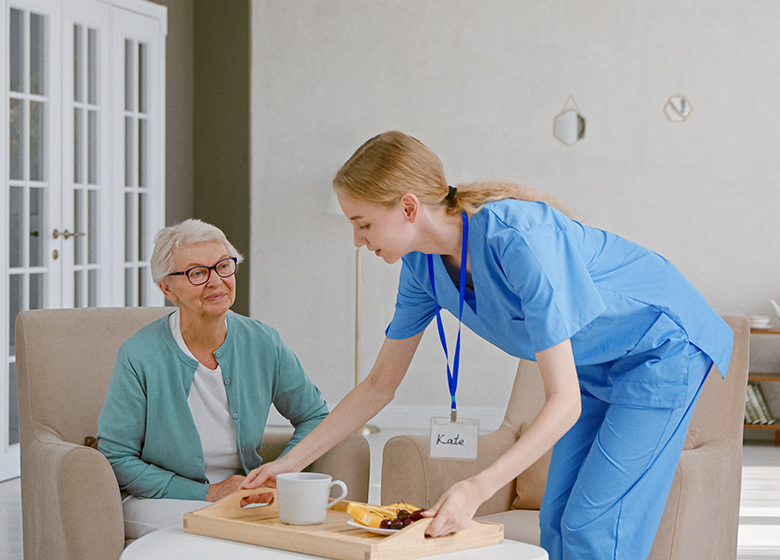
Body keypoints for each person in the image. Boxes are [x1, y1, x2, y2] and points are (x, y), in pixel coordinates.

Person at [243, 131, 733, 559]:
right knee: (557, 520)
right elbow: (378, 386)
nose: (356, 240)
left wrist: (476, 488)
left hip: (661, 349)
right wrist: (290, 461)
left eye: (363, 223)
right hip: (594, 361)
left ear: (409, 207)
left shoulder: (521, 240)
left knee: (592, 526)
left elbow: (563, 403)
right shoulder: (422, 267)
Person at [97, 219, 329, 539]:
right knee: (225, 530)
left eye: (223, 266)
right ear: (167, 287)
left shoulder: (263, 341)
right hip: (158, 500)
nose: (216, 281)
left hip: (242, 497)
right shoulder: (139, 354)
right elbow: (116, 456)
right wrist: (209, 493)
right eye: (197, 273)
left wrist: (283, 469)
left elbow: (315, 415)